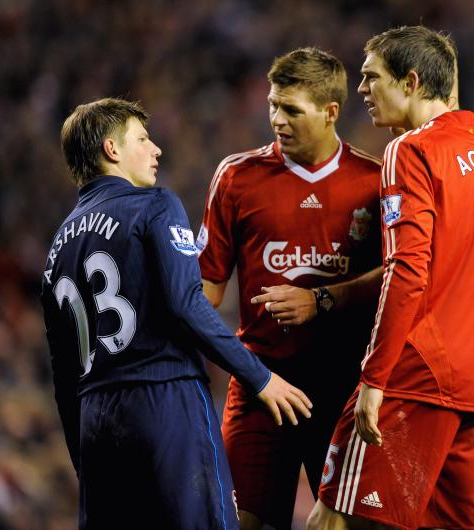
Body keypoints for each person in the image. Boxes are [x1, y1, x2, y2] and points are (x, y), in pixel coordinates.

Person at [309, 26, 474, 530]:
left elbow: (406, 270)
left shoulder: (410, 151)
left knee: (333, 519)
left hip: (419, 375)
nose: (360, 90)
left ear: (409, 82)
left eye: (370, 77)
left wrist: (374, 378)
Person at [40, 97, 312, 530]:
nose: (156, 150)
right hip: (163, 400)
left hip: (95, 420)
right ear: (112, 150)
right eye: (143, 139)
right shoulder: (155, 204)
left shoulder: (56, 248)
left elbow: (62, 372)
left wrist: (84, 459)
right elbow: (187, 304)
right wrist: (260, 378)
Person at [196, 48, 383, 530]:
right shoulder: (236, 178)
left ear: (330, 112)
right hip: (262, 383)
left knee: (342, 524)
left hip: (343, 387)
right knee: (237, 521)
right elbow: (206, 290)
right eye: (273, 105)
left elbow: (399, 275)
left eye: (292, 110)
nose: (277, 119)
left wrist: (321, 299)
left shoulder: (374, 182)